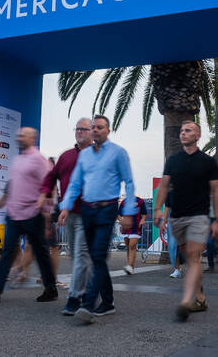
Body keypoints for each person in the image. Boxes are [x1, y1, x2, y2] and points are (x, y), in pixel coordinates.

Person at [59, 114, 137, 324]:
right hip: (87, 209)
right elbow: (75, 183)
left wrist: (129, 211)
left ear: (108, 130)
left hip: (107, 209)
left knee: (98, 254)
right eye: (93, 127)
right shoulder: (85, 157)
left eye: (100, 127)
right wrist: (65, 206)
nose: (95, 130)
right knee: (95, 257)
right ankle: (108, 302)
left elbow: (129, 183)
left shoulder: (118, 153)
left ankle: (87, 305)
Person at [0, 127, 57, 304]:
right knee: (7, 252)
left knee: (41, 252)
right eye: (18, 134)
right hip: (13, 214)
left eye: (23, 135)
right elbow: (12, 187)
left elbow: (48, 185)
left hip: (33, 214)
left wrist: (47, 215)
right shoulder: (18, 159)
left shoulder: (38, 160)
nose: (19, 136)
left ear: (32, 138)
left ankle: (50, 288)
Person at [154, 121, 218, 322]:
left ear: (198, 134)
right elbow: (164, 186)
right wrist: (158, 210)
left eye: (188, 130)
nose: (183, 133)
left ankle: (185, 301)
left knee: (193, 255)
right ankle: (201, 298)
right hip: (177, 218)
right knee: (191, 259)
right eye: (182, 130)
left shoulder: (208, 162)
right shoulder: (173, 160)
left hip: (199, 217)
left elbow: (217, 192)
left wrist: (217, 219)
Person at [37, 118, 93, 316]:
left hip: (89, 213)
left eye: (83, 129)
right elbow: (51, 177)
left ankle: (76, 298)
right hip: (69, 214)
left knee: (81, 256)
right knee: (78, 256)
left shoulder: (98, 154)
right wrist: (44, 193)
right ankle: (94, 293)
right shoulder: (66, 156)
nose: (79, 132)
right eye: (77, 129)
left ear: (93, 132)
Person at [120, 195, 147, 274]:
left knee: (132, 246)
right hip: (126, 228)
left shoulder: (140, 201)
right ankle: (130, 265)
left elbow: (144, 213)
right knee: (128, 247)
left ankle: (130, 267)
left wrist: (142, 220)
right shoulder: (124, 201)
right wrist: (121, 221)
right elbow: (119, 214)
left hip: (136, 227)